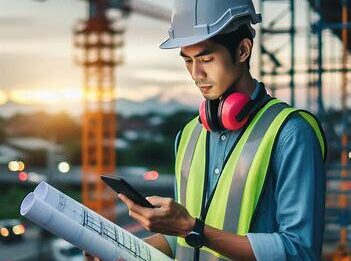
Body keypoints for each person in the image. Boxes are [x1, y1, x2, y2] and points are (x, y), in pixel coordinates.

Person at [86, 0, 327, 260]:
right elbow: (180, 239)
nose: (195, 73)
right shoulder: (189, 135)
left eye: (206, 58)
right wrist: (120, 250)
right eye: (187, 61)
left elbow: (300, 251)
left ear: (243, 50)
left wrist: (193, 228)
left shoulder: (290, 134)